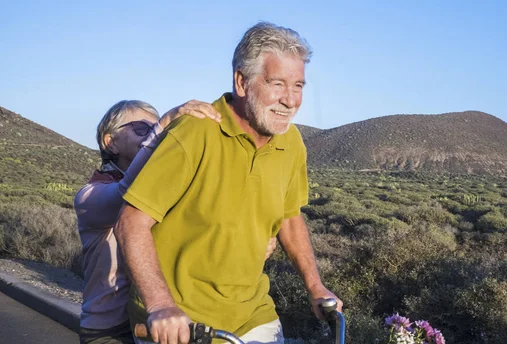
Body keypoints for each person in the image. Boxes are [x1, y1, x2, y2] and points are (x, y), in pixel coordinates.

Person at [114, 22, 343, 344]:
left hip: (254, 315)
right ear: (242, 82)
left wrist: (315, 286)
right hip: (183, 323)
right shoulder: (195, 134)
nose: (290, 100)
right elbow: (131, 221)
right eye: (277, 83)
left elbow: (289, 218)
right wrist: (160, 306)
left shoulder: (291, 143)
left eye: (298, 86)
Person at [75, 99, 277, 344]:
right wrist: (164, 126)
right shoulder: (89, 197)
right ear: (111, 142)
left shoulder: (160, 195)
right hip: (111, 330)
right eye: (141, 128)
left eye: (153, 128)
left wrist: (251, 244)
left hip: (157, 320)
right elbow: (126, 193)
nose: (151, 134)